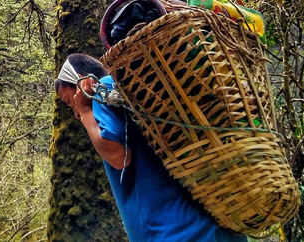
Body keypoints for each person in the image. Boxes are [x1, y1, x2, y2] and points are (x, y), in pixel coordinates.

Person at [55, 53, 247, 242]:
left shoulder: (103, 87)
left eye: (69, 102)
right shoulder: (126, 89)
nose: (75, 114)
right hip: (219, 226)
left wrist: (86, 111)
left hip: (174, 231)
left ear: (81, 82)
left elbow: (118, 156)